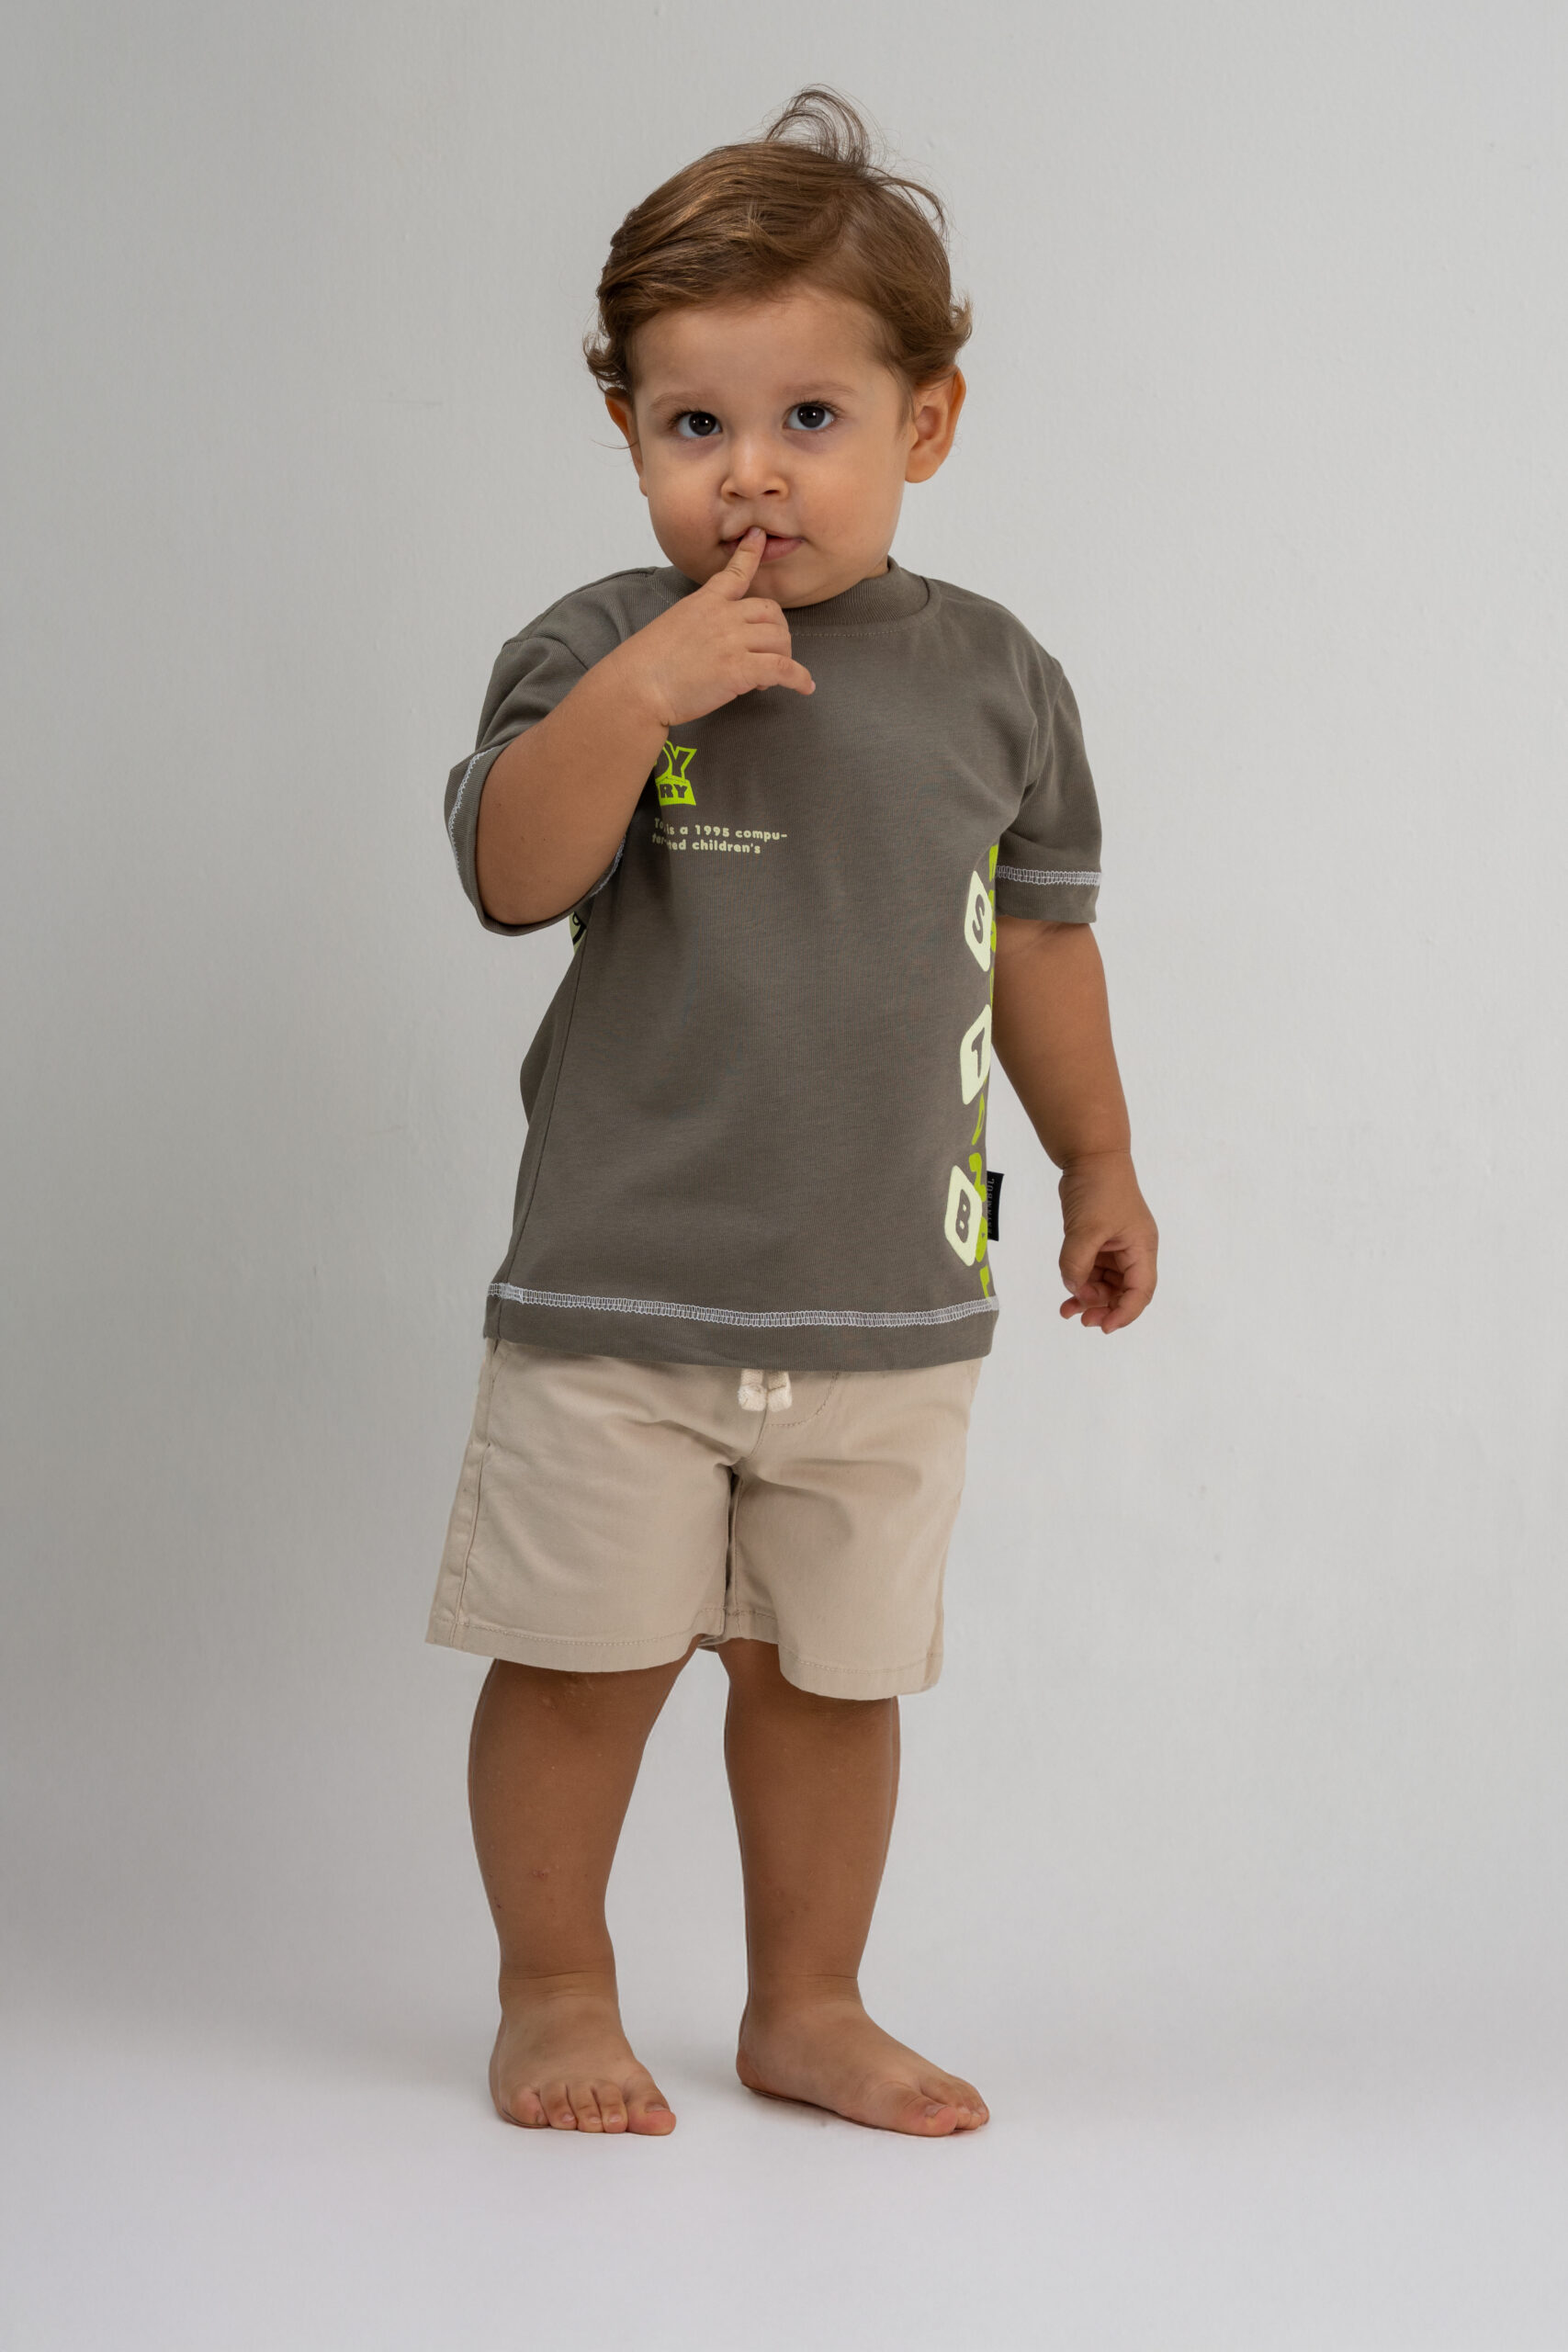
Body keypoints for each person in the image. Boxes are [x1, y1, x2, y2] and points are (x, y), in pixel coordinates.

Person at [426, 85, 1157, 2139]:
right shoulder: (597, 646)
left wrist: (1099, 1159)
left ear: (928, 422)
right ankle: (555, 1986)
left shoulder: (998, 678)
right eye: (693, 424)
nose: (750, 471)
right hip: (621, 1296)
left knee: (832, 1684)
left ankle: (806, 2003)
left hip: (886, 1305)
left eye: (810, 418)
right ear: (627, 434)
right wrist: (642, 694)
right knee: (581, 1666)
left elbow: (1040, 943)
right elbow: (512, 877)